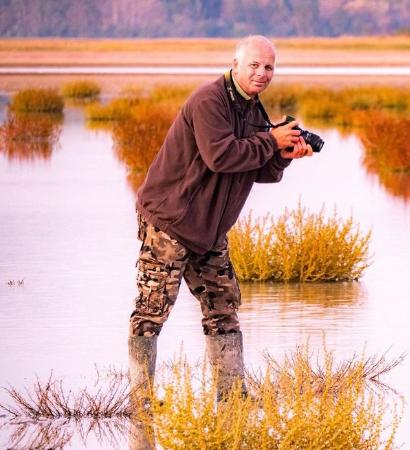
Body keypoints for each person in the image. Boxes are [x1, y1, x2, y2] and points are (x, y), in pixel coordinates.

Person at [127, 35, 312, 405]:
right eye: (254, 65)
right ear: (236, 64)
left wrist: (284, 154)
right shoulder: (209, 100)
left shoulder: (253, 110)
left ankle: (232, 397)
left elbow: (259, 170)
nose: (262, 73)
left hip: (209, 230)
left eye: (269, 67)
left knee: (224, 308)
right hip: (171, 221)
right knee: (152, 309)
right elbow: (222, 158)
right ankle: (140, 400)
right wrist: (270, 143)